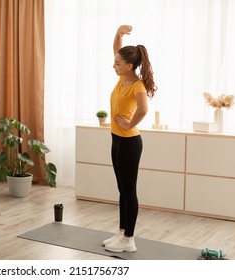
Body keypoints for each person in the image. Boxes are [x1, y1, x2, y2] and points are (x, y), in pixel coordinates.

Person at [103, 25, 157, 253]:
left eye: (117, 63)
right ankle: (121, 233)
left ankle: (130, 240)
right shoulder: (122, 79)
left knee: (129, 190)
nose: (114, 65)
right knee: (121, 189)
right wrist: (118, 33)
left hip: (129, 143)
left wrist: (129, 123)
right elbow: (117, 50)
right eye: (115, 62)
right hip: (117, 139)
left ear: (129, 66)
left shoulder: (137, 85)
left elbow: (143, 110)